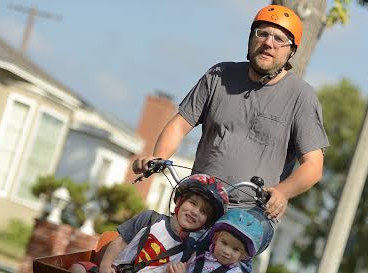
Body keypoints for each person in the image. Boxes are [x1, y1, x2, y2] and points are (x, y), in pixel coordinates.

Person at [132, 4, 329, 223]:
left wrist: (283, 192)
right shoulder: (219, 76)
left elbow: (313, 166)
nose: (268, 43)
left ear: (291, 51)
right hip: (200, 199)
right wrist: (158, 158)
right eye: (262, 33)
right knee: (148, 233)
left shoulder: (301, 97)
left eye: (279, 39)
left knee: (223, 252)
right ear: (251, 38)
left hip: (249, 216)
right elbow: (179, 125)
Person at [68, 174, 228, 273]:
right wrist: (105, 266)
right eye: (192, 203)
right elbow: (119, 242)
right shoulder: (150, 219)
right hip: (112, 271)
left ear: (207, 223)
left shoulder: (188, 250)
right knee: (77, 270)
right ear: (179, 201)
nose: (195, 212)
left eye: (203, 211)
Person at [153, 208, 265, 273]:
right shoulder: (199, 255)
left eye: (235, 249)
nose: (227, 251)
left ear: (244, 256)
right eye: (224, 243)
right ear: (215, 239)